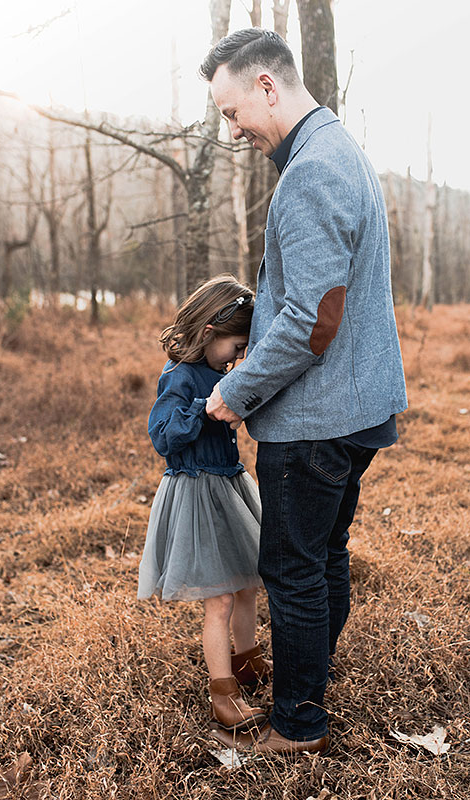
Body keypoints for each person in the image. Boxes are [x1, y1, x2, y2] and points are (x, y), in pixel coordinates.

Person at [200, 29, 407, 755]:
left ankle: (298, 725)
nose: (232, 131)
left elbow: (312, 319)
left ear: (267, 85)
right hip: (357, 407)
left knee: (293, 568)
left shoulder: (312, 170)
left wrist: (238, 389)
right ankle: (309, 674)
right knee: (324, 556)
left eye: (232, 112)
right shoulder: (337, 149)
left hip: (318, 419)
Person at [137, 275, 272, 734]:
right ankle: (223, 693)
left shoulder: (221, 374)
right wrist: (204, 408)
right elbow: (163, 436)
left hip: (230, 489)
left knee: (247, 582)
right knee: (218, 598)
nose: (239, 357)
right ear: (210, 332)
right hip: (196, 493)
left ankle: (247, 660)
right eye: (237, 346)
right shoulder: (179, 377)